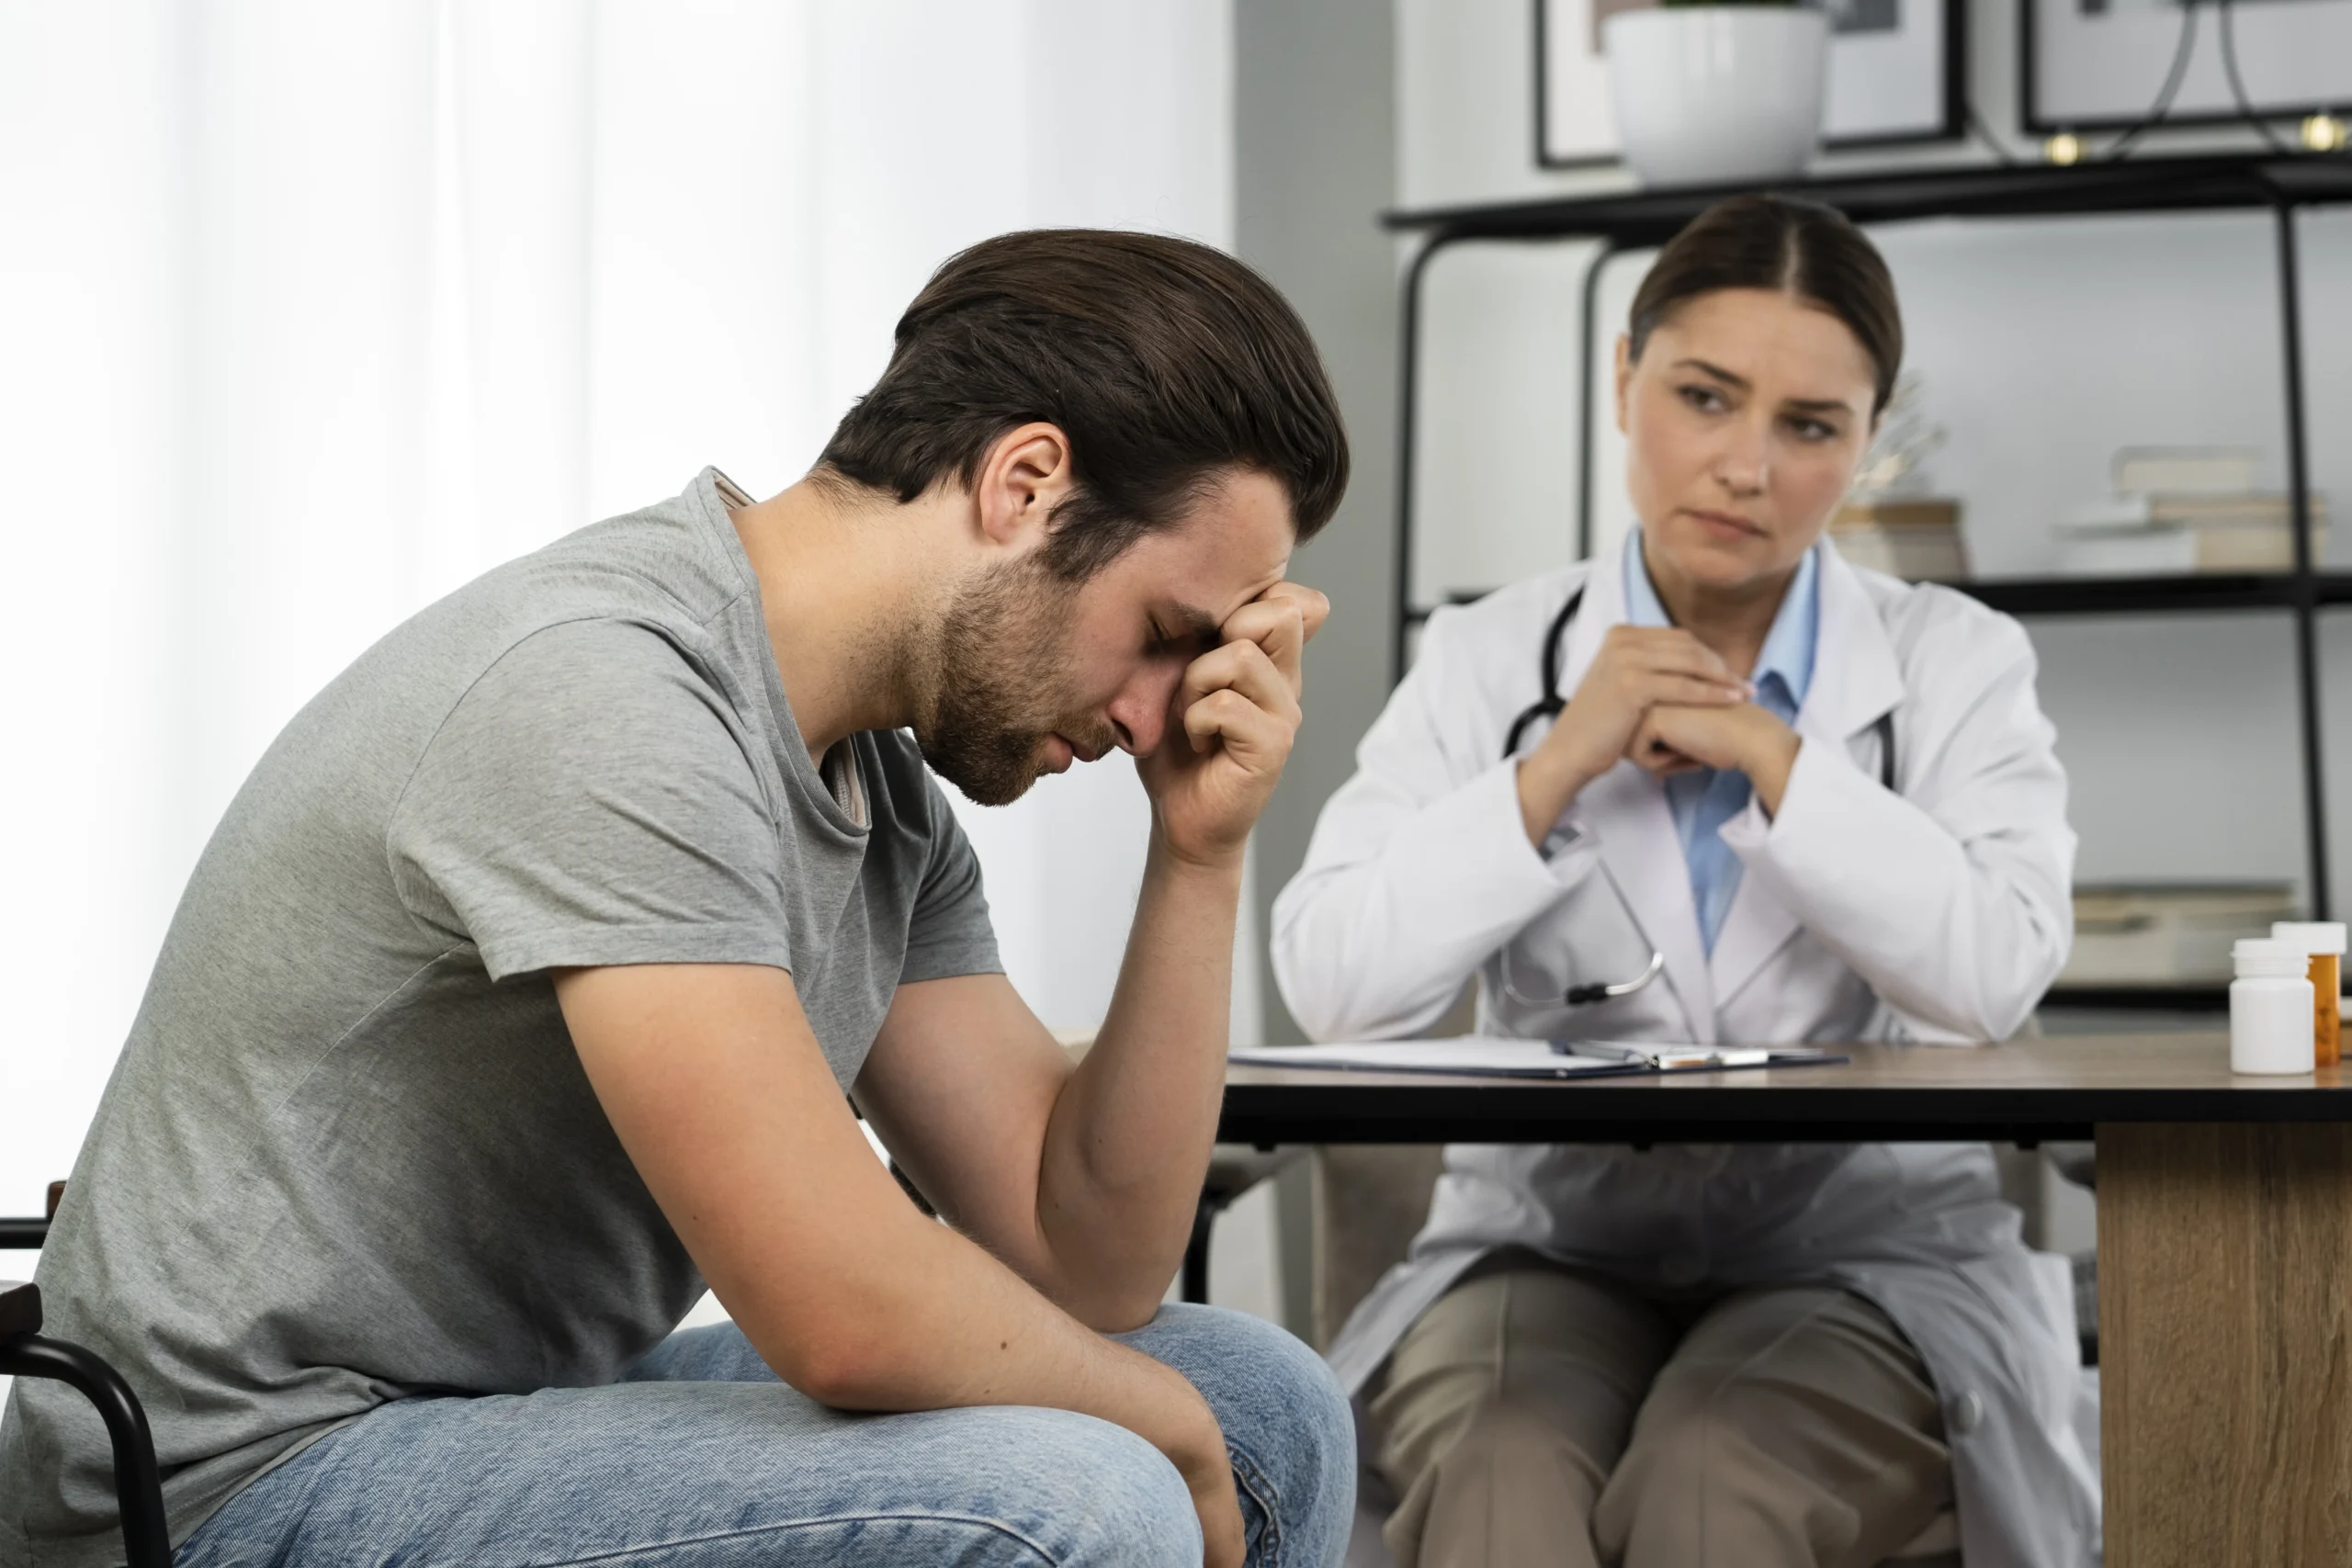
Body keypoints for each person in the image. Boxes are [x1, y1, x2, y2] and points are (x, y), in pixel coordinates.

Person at [3, 230, 1357, 1568]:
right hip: (222, 1481)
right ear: (1024, 483)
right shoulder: (609, 692)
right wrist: (1157, 1431)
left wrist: (1200, 848)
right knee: (1078, 1491)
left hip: (495, 1411)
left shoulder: (882, 800)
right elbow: (841, 1308)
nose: (1152, 713)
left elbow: (1086, 1257)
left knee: (1265, 1408)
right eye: (1167, 636)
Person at [1272, 196, 2095, 1568]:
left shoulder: (1953, 661)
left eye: (1810, 426)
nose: (1746, 466)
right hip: (1548, 1239)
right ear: (1621, 380)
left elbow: (1997, 972)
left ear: (1867, 442)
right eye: (1704, 397)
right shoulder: (1493, 658)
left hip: (1865, 1247)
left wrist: (1778, 758)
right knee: (1497, 1468)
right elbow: (1334, 981)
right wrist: (1553, 770)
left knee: (1717, 1484)